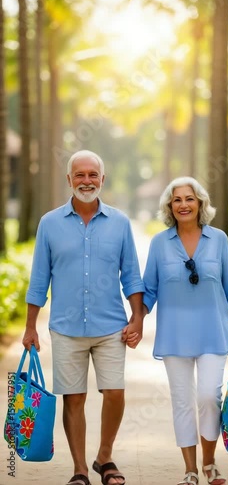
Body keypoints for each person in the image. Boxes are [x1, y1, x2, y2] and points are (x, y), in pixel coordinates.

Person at [22, 150, 144, 485]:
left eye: (93, 175)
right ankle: (79, 469)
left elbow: (132, 275)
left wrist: (138, 318)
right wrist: (30, 326)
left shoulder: (120, 223)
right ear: (69, 180)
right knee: (73, 398)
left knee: (114, 391)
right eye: (80, 175)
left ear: (102, 180)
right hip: (66, 327)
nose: (86, 181)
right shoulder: (49, 224)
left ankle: (104, 457)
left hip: (110, 327)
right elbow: (39, 279)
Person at [141, 176, 228, 485]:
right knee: (181, 401)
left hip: (214, 333)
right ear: (169, 206)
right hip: (174, 336)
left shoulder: (219, 240)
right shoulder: (160, 243)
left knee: (207, 397)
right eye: (177, 200)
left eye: (189, 199)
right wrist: (136, 320)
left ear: (200, 203)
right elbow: (149, 290)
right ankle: (190, 471)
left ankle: (210, 462)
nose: (183, 204)